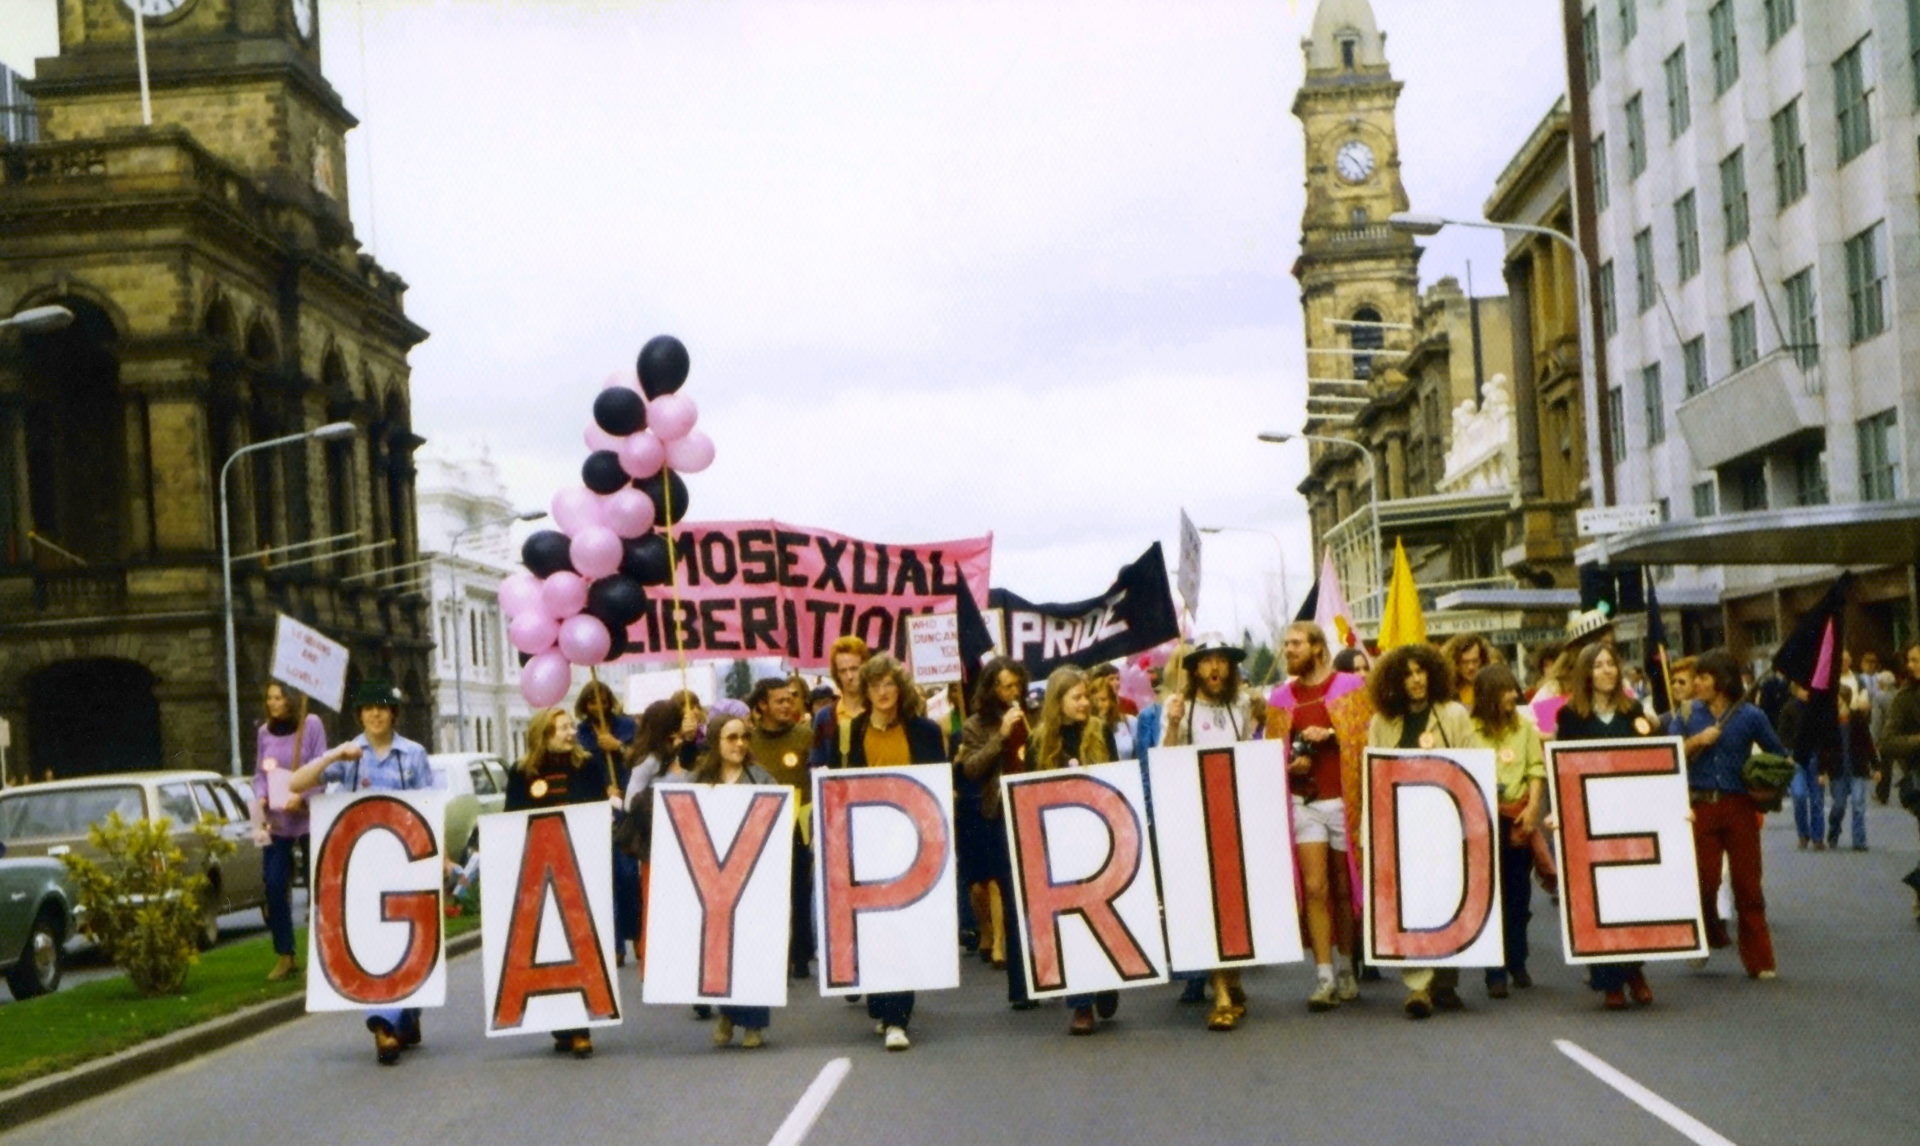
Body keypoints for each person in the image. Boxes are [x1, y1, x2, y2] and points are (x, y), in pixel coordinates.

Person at [288, 680, 437, 1066]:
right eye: (368, 708)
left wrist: (440, 859)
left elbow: (430, 807)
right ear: (359, 715)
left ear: (393, 714)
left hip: (405, 862)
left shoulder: (413, 754)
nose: (375, 714)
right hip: (363, 867)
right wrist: (334, 755)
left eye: (382, 708)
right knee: (375, 944)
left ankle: (406, 1013)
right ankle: (383, 1025)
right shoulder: (350, 755)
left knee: (409, 941)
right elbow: (297, 783)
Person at [817, 653, 947, 1051]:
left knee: (902, 925)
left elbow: (938, 784)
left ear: (899, 687)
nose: (882, 692)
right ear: (865, 690)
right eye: (874, 685)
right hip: (866, 840)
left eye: (889, 684)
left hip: (913, 842)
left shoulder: (924, 730)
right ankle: (881, 1002)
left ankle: (897, 1017)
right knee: (873, 927)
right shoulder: (850, 731)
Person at [1364, 642, 1474, 1019]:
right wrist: (1371, 834)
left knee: (1447, 899)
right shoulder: (1381, 723)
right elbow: (1374, 780)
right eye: (1407, 674)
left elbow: (1473, 769)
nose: (1415, 680)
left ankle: (1445, 981)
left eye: (1420, 671)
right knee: (1412, 904)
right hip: (1404, 830)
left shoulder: (1454, 715)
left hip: (1446, 825)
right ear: (1395, 681)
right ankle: (1418, 986)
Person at [1265, 622, 1364, 1013]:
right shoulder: (1279, 699)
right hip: (1304, 803)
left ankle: (1345, 966)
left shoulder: (1350, 689)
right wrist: (1292, 764)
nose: (1289, 650)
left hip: (1344, 800)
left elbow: (1362, 739)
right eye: (1286, 643)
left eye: (1296, 643)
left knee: (1343, 886)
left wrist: (1333, 736)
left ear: (1318, 648)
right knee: (1316, 887)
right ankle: (1323, 974)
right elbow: (1271, 754)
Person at [506, 706, 615, 1058]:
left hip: (582, 869)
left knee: (581, 942)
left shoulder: (588, 766)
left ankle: (581, 1026)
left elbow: (599, 814)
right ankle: (563, 1022)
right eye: (562, 729)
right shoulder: (522, 772)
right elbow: (513, 819)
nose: (571, 734)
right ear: (542, 735)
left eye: (571, 727)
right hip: (541, 873)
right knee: (550, 946)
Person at [1555, 644, 1660, 1009]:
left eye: (1611, 664)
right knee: (1596, 899)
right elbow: (1563, 766)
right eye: (1598, 665)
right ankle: (1611, 980)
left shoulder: (1634, 713)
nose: (1606, 671)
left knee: (1629, 898)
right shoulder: (1570, 717)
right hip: (1589, 817)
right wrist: (1559, 812)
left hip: (1628, 814)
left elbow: (1653, 762)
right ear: (1586, 672)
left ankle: (1635, 970)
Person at [1674, 648, 1789, 979]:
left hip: (1739, 805)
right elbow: (1668, 756)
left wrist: (1763, 783)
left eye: (1703, 677)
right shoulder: (1686, 714)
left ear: (1721, 681)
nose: (1696, 683)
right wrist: (1697, 741)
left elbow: (1778, 755)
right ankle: (1707, 933)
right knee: (1705, 881)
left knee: (1748, 884)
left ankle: (1760, 959)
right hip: (1701, 806)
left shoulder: (1751, 716)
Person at [1162, 634, 1257, 1031]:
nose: (1215, 668)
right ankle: (1218, 990)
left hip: (1239, 815)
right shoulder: (1181, 709)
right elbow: (1166, 762)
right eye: (1206, 661)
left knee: (1238, 902)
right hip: (1200, 817)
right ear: (1195, 668)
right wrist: (1172, 725)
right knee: (1209, 903)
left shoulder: (1243, 704)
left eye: (1221, 660)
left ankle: (1232, 978)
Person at [674, 711, 777, 1049]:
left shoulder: (761, 779)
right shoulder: (699, 782)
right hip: (713, 880)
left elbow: (777, 820)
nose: (739, 744)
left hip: (753, 878)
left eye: (744, 737)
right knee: (720, 948)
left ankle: (755, 1024)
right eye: (731, 738)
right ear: (717, 742)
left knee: (752, 949)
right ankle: (729, 1013)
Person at [1027, 666, 1118, 1035]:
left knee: (1102, 913)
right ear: (1058, 701)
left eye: (1086, 696)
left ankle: (1108, 978)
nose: (1085, 703)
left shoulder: (1101, 733)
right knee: (1070, 922)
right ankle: (1080, 1004)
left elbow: (1115, 779)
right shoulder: (1040, 741)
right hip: (1059, 842)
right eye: (1077, 697)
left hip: (1098, 836)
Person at [954, 656, 1030, 992]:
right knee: (1005, 891)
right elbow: (971, 768)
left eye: (1017, 685)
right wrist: (1000, 736)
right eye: (1006, 686)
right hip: (995, 812)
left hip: (1030, 806)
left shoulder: (1033, 712)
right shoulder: (974, 725)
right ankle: (1019, 981)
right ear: (991, 688)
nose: (1013, 692)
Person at [744, 677, 818, 980]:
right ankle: (773, 952)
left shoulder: (805, 736)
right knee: (766, 892)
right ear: (762, 704)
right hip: (760, 823)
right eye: (780, 701)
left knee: (800, 889)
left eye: (791, 699)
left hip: (798, 822)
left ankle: (800, 954)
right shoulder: (748, 740)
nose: (788, 705)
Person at [251, 683, 326, 982]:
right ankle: (285, 954)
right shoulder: (264, 733)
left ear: (291, 700)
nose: (273, 703)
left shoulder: (311, 724)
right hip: (278, 820)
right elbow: (260, 774)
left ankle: (321, 952)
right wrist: (260, 796)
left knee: (316, 884)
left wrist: (304, 796)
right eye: (269, 698)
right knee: (274, 881)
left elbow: (321, 767)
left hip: (306, 815)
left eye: (279, 698)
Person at [576, 680, 641, 968]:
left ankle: (637, 935)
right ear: (585, 705)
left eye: (602, 700)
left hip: (626, 806)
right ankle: (614, 944)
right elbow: (580, 767)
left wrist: (618, 746)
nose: (598, 707)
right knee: (607, 880)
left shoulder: (628, 727)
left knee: (628, 876)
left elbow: (641, 759)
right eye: (592, 702)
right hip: (598, 806)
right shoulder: (580, 735)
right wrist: (601, 790)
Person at [1878, 644, 1920, 919]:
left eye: (1917, 660)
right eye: (1911, 660)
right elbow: (1887, 742)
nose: (1912, 665)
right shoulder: (1905, 698)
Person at [1826, 682, 1879, 851]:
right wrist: (1822, 770)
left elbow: (1868, 743)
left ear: (1844, 700)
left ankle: (1859, 840)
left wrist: (1876, 766)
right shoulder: (1829, 721)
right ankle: (1834, 830)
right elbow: (1823, 748)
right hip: (1838, 770)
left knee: (1858, 803)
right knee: (1839, 805)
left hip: (1857, 768)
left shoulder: (1857, 720)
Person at [810, 635, 870, 769]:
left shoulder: (878, 710)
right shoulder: (824, 717)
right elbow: (815, 763)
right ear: (836, 674)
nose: (849, 676)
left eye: (854, 669)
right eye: (843, 671)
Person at [1085, 662, 1137, 760]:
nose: (1099, 705)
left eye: (1104, 700)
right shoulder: (1084, 727)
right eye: (1095, 701)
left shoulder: (1130, 722)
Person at [1440, 633, 1497, 710]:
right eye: (1464, 662)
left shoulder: (1493, 687)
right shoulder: (1446, 690)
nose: (1471, 667)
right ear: (1455, 663)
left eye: (1475, 661)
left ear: (1482, 660)